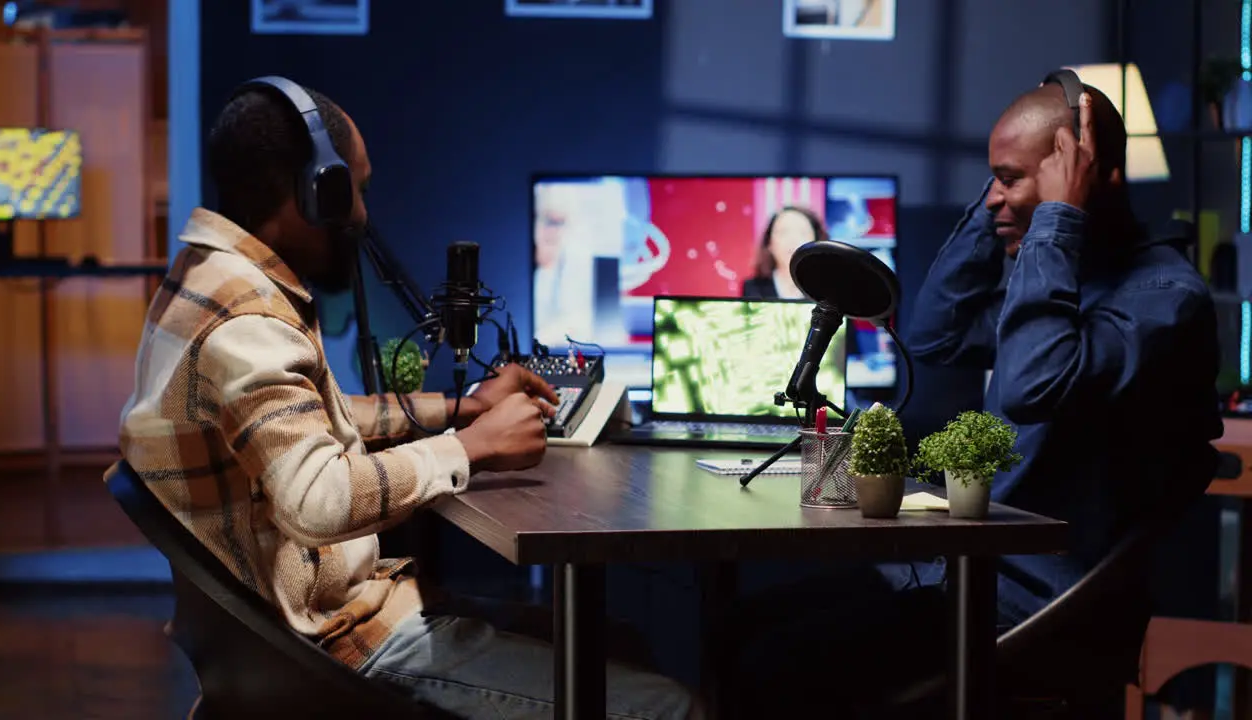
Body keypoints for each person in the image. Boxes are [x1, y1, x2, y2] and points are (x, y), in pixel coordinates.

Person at [116, 80, 701, 720]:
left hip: (320, 618)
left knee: (616, 640)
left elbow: (313, 420)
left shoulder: (206, 280)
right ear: (314, 191)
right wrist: (470, 449)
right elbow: (318, 500)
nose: (363, 215)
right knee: (666, 706)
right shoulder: (247, 326)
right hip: (342, 643)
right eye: (357, 192)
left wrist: (461, 409)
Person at [735, 81, 1221, 717]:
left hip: (1030, 609)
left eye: (1013, 179)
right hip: (968, 575)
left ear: (1087, 177)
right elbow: (935, 333)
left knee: (771, 666)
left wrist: (1055, 221)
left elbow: (1031, 385)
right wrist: (1009, 201)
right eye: (991, 178)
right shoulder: (1071, 282)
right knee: (740, 624)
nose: (994, 199)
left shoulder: (1161, 297)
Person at [741, 206, 827, 299]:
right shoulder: (753, 288)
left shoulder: (827, 289)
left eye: (802, 233)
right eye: (783, 232)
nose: (792, 240)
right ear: (769, 243)